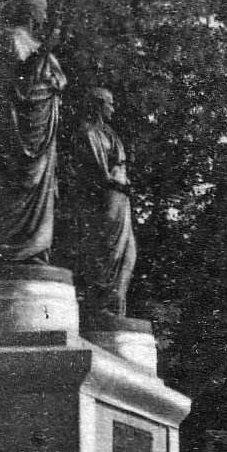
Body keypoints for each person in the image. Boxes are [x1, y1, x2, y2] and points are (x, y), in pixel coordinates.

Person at [0, 0, 65, 266]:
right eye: (42, 9)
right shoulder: (11, 38)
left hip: (42, 132)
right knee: (14, 184)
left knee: (38, 188)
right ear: (30, 10)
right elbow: (18, 79)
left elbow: (53, 81)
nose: (45, 15)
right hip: (19, 127)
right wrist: (46, 50)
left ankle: (31, 249)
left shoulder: (36, 43)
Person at [77, 87, 138, 317]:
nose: (112, 108)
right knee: (109, 249)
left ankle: (116, 300)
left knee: (129, 251)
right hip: (109, 197)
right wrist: (119, 185)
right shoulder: (89, 133)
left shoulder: (108, 132)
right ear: (98, 105)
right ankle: (103, 304)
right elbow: (97, 173)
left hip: (121, 197)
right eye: (109, 103)